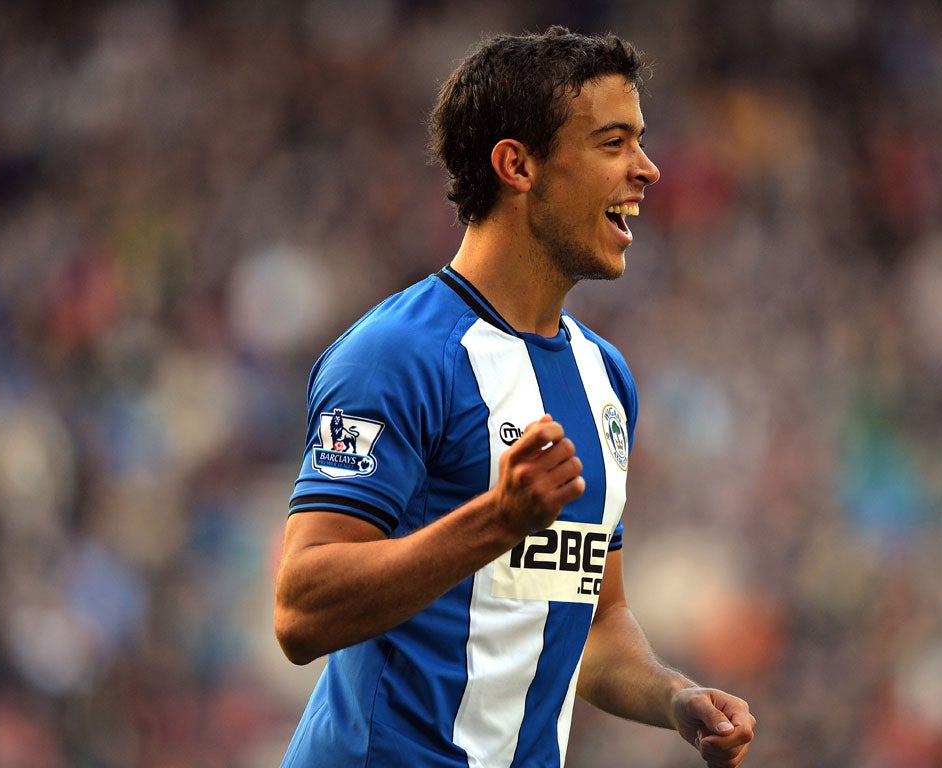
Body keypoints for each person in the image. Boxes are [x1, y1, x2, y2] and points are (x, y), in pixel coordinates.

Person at [274, 25, 756, 768]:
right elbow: (300, 611)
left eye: (641, 140)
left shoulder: (605, 377)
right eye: (612, 142)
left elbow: (594, 622)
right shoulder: (397, 356)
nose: (649, 170)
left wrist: (672, 698)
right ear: (517, 164)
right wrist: (496, 521)